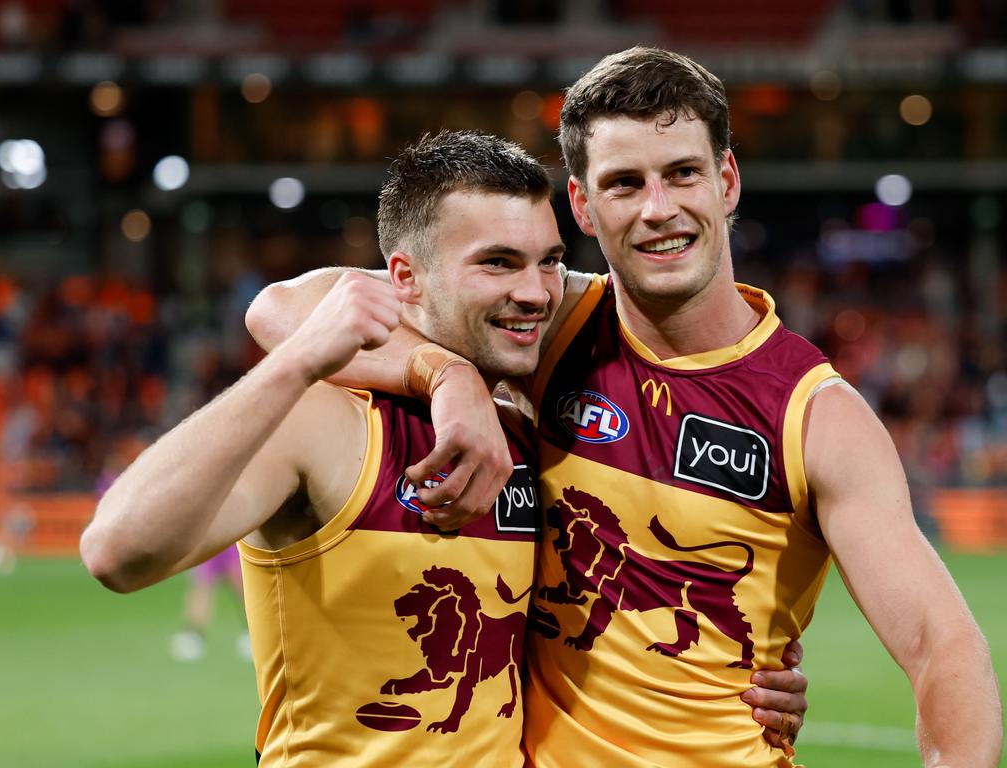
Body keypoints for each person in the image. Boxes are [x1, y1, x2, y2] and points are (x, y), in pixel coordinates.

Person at [246, 50, 1003, 767]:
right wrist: (449, 376)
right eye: (624, 183)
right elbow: (283, 308)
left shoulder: (815, 414)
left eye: (682, 174)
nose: (658, 210)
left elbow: (944, 645)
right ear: (580, 203)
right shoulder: (550, 327)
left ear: (727, 181)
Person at [82, 130, 807, 766]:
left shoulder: (529, 431)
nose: (535, 291)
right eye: (497, 263)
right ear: (404, 278)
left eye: (549, 261)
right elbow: (117, 552)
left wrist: (750, 672)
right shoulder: (330, 418)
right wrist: (305, 364)